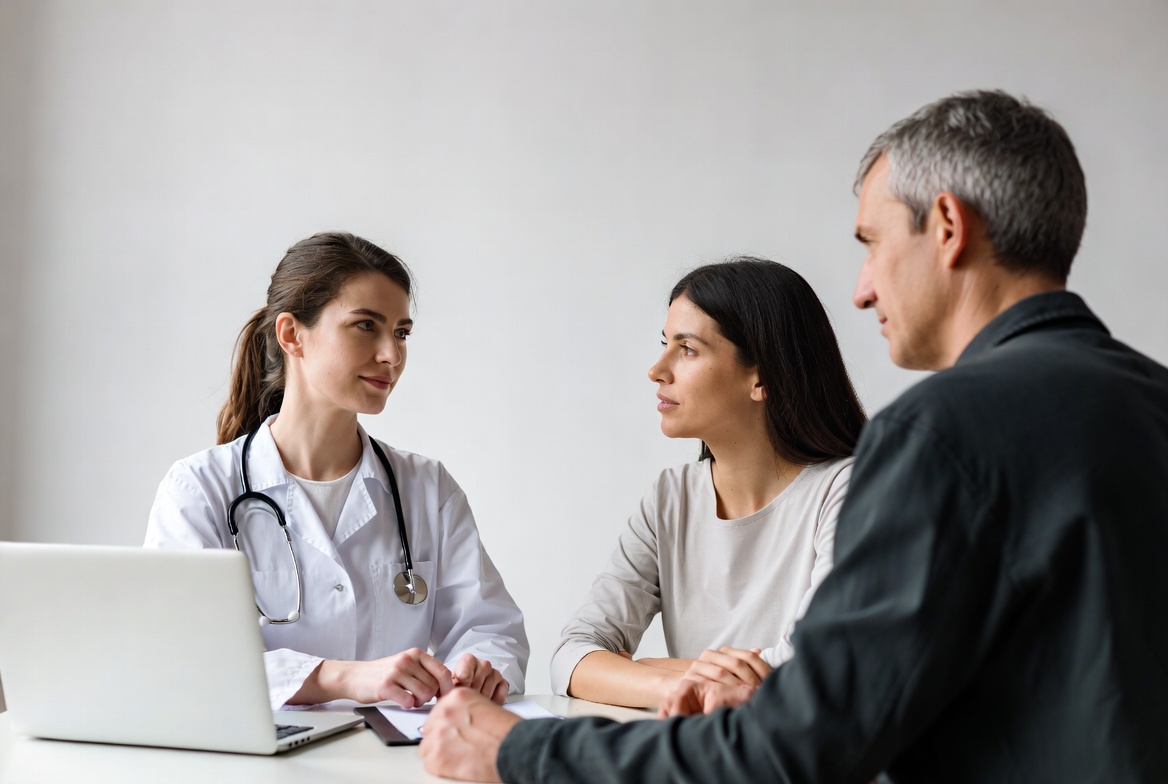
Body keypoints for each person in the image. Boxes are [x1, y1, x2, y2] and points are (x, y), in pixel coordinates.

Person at [418, 90, 1168, 783]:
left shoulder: (938, 433)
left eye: (872, 243)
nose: (863, 287)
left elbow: (798, 744)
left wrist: (520, 751)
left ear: (947, 227)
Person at [145, 231, 528, 710]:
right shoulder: (200, 490)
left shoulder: (427, 489)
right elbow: (182, 656)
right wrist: (340, 678)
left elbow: (490, 629)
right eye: (366, 326)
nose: (392, 354)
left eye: (402, 332)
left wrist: (481, 667)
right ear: (291, 335)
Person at [550, 258, 865, 709]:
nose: (657, 369)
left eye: (688, 349)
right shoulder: (669, 498)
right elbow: (570, 657)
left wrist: (638, 669)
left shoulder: (851, 491)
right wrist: (677, 686)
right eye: (664, 344)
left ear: (762, 376)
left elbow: (803, 673)